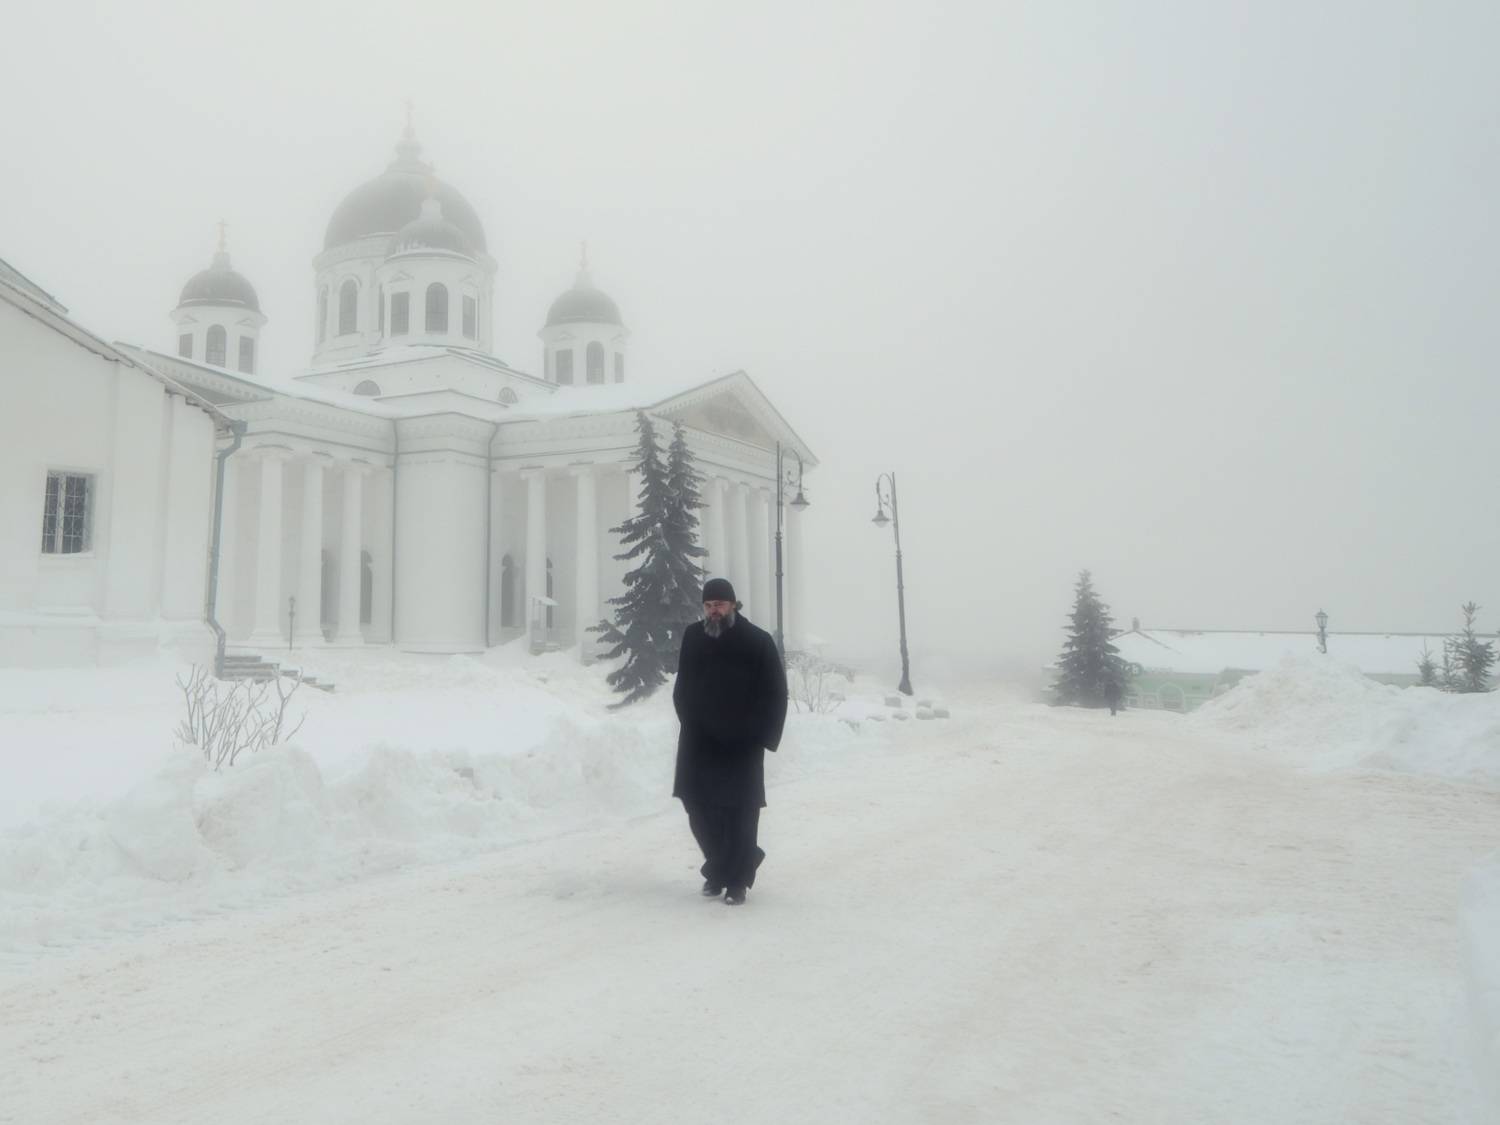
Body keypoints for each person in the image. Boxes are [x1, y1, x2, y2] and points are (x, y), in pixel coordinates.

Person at [671, 577, 788, 906]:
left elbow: (776, 692)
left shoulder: (757, 640)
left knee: (740, 813)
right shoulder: (693, 636)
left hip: (741, 743)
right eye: (708, 605)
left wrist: (761, 735)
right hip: (699, 740)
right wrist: (689, 721)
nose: (714, 611)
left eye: (720, 605)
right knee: (697, 806)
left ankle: (736, 881)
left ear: (733, 604)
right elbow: (683, 686)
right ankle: (720, 867)